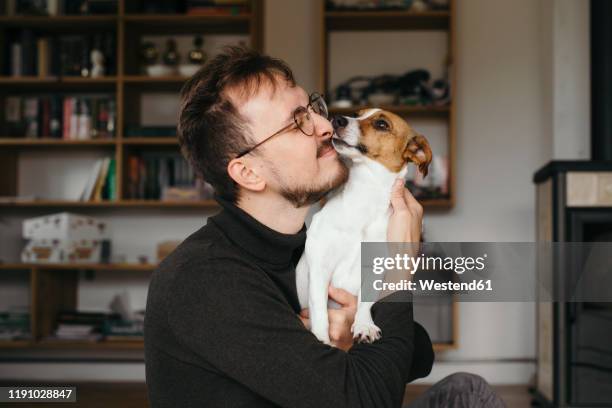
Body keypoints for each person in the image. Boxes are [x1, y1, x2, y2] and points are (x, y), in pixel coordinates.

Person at [144, 45, 505, 408]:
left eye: (313, 107)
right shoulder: (205, 280)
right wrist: (398, 267)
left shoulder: (303, 243)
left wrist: (353, 329)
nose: (323, 124)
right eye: (296, 121)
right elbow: (369, 399)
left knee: (466, 390)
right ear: (248, 173)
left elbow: (418, 351)